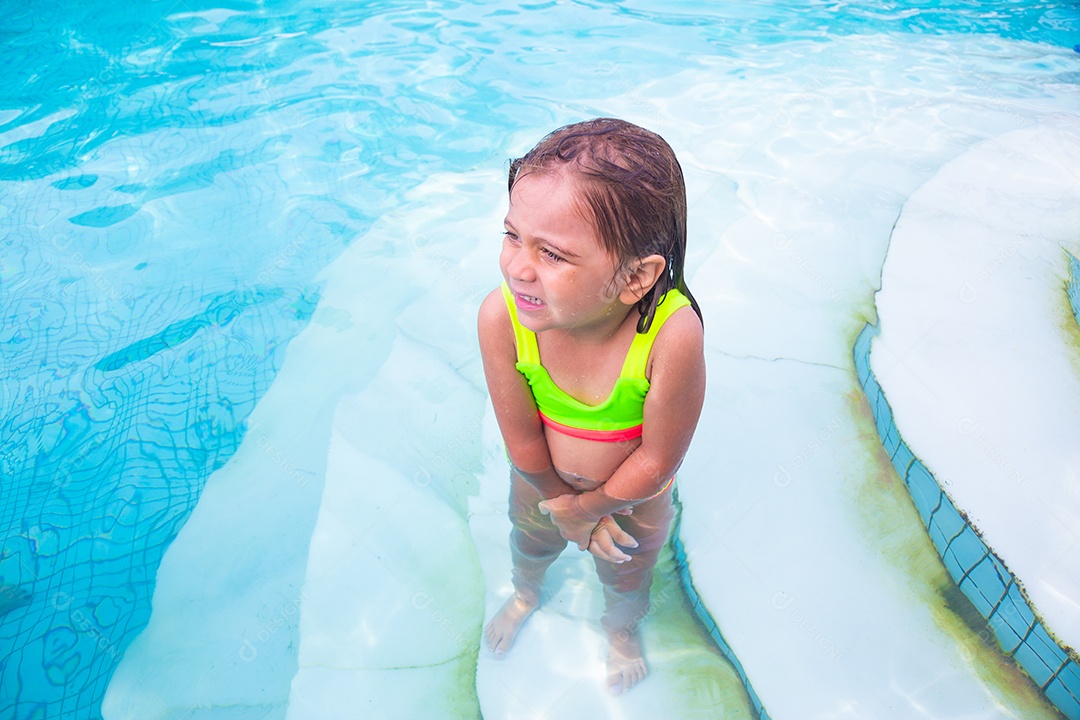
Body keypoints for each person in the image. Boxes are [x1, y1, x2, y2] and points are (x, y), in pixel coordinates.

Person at [477, 118, 706, 696]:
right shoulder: (502, 318)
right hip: (540, 480)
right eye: (512, 236)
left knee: (628, 572)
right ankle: (527, 591)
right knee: (528, 542)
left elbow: (658, 460)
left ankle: (621, 630)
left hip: (632, 495)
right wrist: (561, 503)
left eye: (552, 254)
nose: (518, 268)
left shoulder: (670, 336)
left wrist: (595, 506)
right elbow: (522, 438)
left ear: (635, 278)